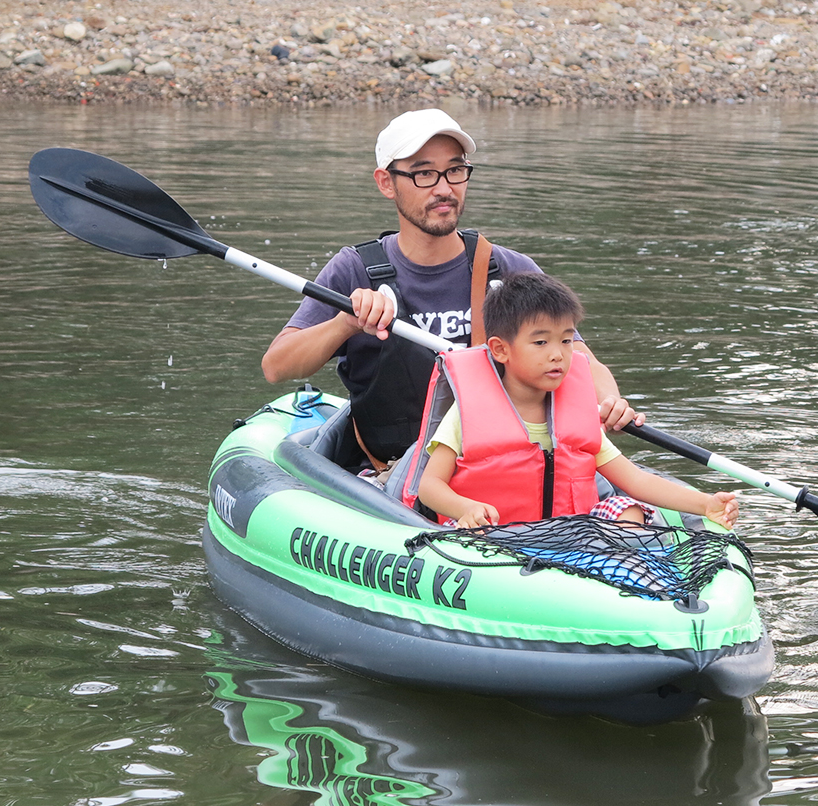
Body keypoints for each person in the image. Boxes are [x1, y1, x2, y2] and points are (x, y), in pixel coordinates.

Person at [260, 108, 640, 467]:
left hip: (503, 464)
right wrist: (344, 324)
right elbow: (277, 366)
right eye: (424, 174)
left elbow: (581, 359)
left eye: (455, 171)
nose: (444, 189)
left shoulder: (510, 268)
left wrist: (608, 399)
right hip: (393, 473)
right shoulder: (353, 270)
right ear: (386, 183)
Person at [414, 272, 740, 530]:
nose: (558, 354)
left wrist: (704, 504)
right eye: (540, 341)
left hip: (569, 532)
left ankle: (619, 574)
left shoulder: (577, 415)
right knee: (467, 530)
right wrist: (466, 508)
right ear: (501, 350)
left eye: (567, 340)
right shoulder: (468, 413)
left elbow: (635, 481)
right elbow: (430, 486)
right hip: (496, 530)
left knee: (627, 510)